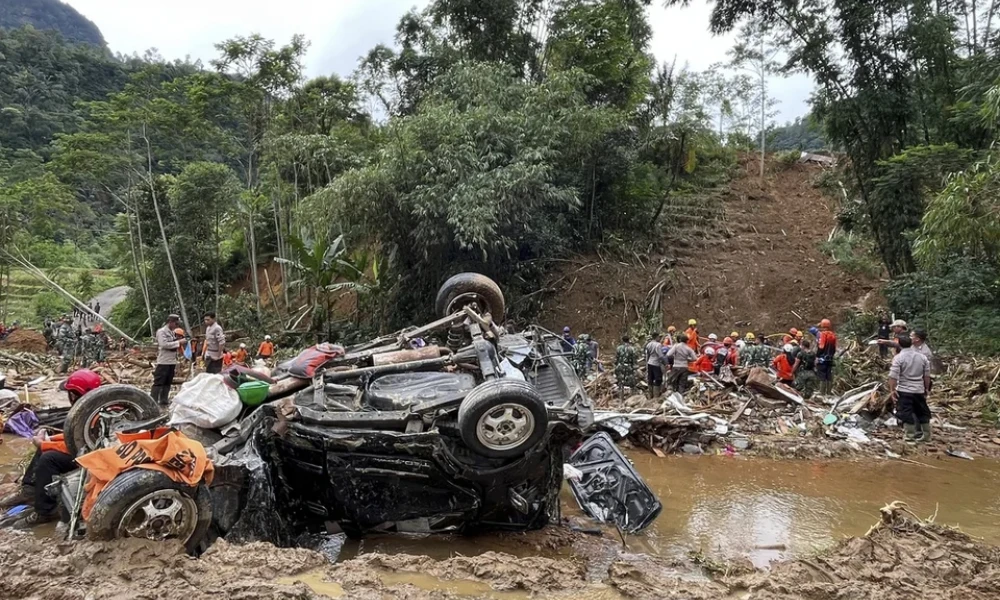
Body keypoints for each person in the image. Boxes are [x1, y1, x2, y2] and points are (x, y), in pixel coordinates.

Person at [0, 369, 103, 528]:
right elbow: (74, 437)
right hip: (87, 452)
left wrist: (44, 444)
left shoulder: (96, 414)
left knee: (49, 459)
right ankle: (29, 491)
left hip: (94, 459)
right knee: (45, 448)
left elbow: (79, 446)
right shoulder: (90, 409)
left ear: (75, 394)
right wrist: (49, 439)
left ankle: (44, 512)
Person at [889, 335, 932, 443]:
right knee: (922, 411)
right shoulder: (922, 357)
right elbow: (926, 375)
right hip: (919, 389)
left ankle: (909, 437)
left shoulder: (898, 358)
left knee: (906, 412)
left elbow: (893, 376)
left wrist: (892, 390)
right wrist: (926, 388)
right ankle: (926, 436)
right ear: (911, 343)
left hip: (904, 390)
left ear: (899, 343)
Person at [152, 315, 183, 407]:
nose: (176, 326)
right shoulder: (162, 332)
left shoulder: (172, 332)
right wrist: (179, 342)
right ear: (171, 322)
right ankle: (153, 401)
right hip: (163, 361)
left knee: (168, 382)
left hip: (171, 361)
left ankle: (164, 400)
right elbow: (164, 344)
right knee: (159, 382)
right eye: (176, 323)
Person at [816, 318, 837, 396]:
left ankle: (822, 393)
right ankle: (828, 393)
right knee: (829, 376)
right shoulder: (833, 335)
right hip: (830, 359)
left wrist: (817, 356)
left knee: (822, 376)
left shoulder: (823, 334)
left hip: (822, 359)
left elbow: (821, 347)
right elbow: (834, 348)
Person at [644, 332, 664, 399]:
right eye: (659, 337)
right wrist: (665, 362)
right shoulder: (658, 345)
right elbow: (660, 355)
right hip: (656, 363)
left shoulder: (648, 344)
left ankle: (650, 395)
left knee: (650, 379)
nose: (659, 338)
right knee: (658, 379)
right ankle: (656, 396)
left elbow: (647, 355)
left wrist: (646, 363)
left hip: (650, 363)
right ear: (656, 337)